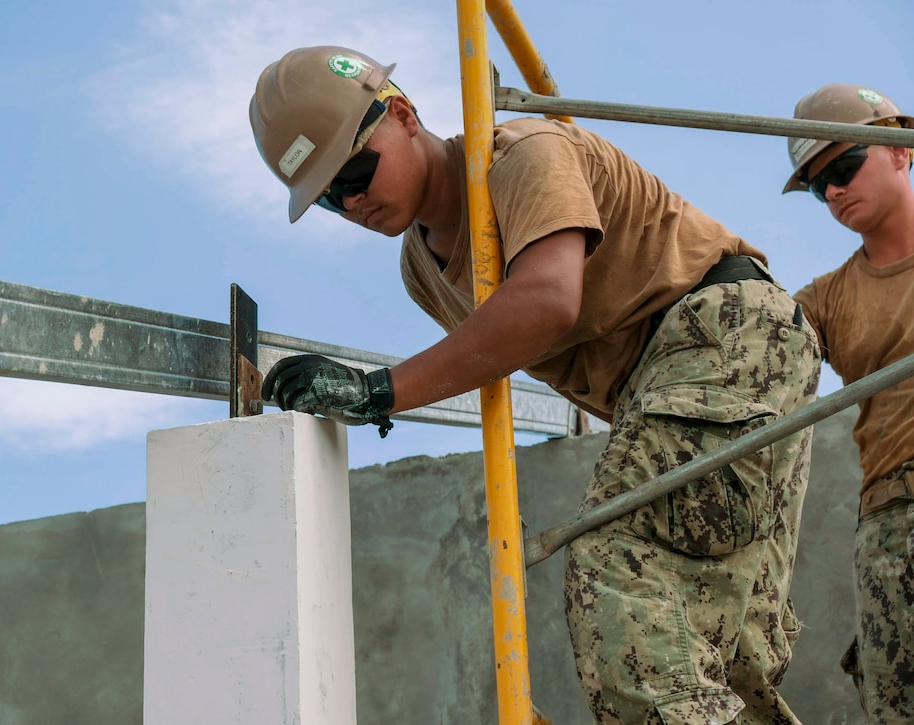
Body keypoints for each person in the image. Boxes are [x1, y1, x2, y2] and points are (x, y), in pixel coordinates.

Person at [250, 45, 821, 722]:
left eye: (355, 171)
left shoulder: (519, 153)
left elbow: (548, 299)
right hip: (672, 381)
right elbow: (493, 344)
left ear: (401, 114)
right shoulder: (418, 269)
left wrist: (379, 390)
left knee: (619, 564)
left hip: (723, 334)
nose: (353, 203)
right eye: (328, 200)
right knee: (722, 634)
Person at [781, 83, 914, 722]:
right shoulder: (823, 302)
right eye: (816, 185)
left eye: (842, 166)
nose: (832, 191)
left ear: (900, 150)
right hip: (894, 517)